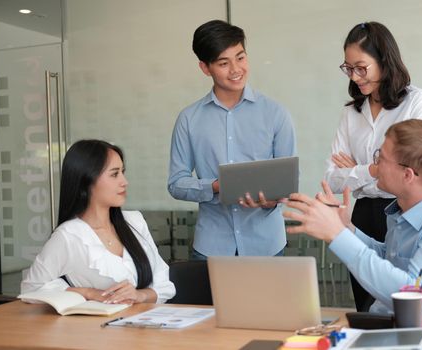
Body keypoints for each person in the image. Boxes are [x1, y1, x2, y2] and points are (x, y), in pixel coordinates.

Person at [285, 120, 422, 349]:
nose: (374, 165)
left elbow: (412, 296)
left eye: (381, 158)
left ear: (408, 175)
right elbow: (389, 257)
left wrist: (338, 235)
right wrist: (347, 229)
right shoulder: (403, 209)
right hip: (390, 336)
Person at [324, 21, 422, 311]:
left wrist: (356, 171)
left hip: (404, 212)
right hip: (362, 213)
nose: (355, 76)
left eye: (361, 67)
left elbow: (415, 167)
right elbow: (332, 179)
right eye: (348, 68)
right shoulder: (351, 112)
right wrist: (372, 169)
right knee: (366, 307)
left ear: (384, 62)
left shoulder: (416, 102)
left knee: (405, 301)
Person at [168, 20, 296, 259]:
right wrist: (215, 186)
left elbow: (287, 182)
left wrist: (272, 200)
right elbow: (176, 182)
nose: (236, 69)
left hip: (266, 246)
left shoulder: (276, 114)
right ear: (205, 68)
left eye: (241, 57)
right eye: (224, 63)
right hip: (212, 246)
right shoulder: (189, 119)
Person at [21, 140, 175, 304]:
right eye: (114, 174)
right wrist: (87, 293)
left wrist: (140, 295)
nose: (124, 181)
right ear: (87, 180)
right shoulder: (69, 235)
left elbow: (165, 285)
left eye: (123, 172)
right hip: (98, 327)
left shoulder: (135, 222)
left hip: (145, 323)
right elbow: (31, 289)